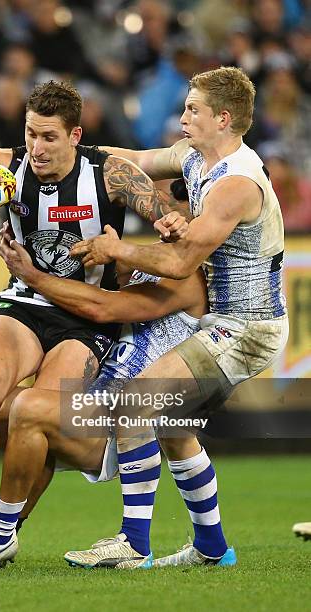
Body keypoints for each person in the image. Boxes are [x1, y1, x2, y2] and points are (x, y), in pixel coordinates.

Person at [0, 80, 186, 571]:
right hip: (22, 304)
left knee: (36, 418)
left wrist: (170, 228)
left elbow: (172, 232)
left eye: (49, 137)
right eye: (31, 134)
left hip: (83, 317)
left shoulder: (113, 176)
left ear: (75, 135)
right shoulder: (2, 165)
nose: (37, 147)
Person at [0, 182, 215, 572]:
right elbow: (98, 267)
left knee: (30, 406)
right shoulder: (150, 261)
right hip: (90, 404)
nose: (166, 210)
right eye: (166, 202)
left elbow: (103, 307)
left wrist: (32, 273)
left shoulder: (186, 279)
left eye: (177, 204)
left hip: (116, 427)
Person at [61, 65, 289, 568]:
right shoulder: (194, 155)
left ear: (223, 119)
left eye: (193, 109)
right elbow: (139, 160)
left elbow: (182, 263)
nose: (182, 115)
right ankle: (212, 549)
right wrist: (71, 156)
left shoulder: (238, 184)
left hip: (247, 327)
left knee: (136, 402)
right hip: (220, 318)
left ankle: (133, 543)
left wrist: (116, 248)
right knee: (172, 426)